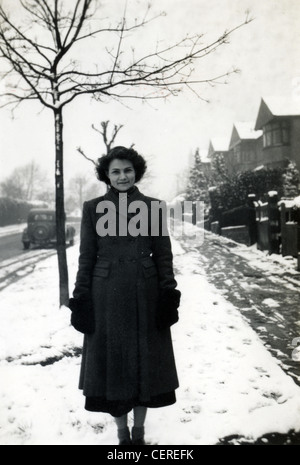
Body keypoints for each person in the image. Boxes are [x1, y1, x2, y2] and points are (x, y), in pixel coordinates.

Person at [69, 146, 181, 445]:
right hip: (105, 297)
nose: (122, 176)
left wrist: (168, 293)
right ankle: (121, 433)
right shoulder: (93, 208)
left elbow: (163, 255)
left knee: (145, 363)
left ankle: (139, 432)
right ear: (106, 175)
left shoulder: (154, 207)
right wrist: (80, 299)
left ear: (137, 173)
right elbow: (86, 257)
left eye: (127, 170)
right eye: (115, 171)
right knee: (113, 364)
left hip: (146, 294)